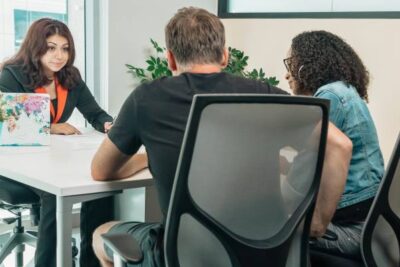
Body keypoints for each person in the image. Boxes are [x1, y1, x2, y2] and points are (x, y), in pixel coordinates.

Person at [90, 8, 352, 267]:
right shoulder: (264, 95)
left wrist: (144, 158)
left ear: (170, 59)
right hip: (269, 253)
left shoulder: (146, 99)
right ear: (225, 56)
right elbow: (339, 145)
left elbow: (101, 171)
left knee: (102, 234)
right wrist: (316, 224)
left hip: (186, 256)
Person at [0, 18, 114, 267]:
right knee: (54, 194)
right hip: (15, 164)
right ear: (36, 47)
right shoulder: (11, 75)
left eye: (65, 48)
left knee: (101, 189)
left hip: (52, 160)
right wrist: (50, 127)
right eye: (51, 47)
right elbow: (8, 126)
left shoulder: (70, 77)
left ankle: (91, 262)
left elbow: (95, 113)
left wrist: (109, 124)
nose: (59, 55)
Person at [284, 30, 384, 258]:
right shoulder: (344, 91)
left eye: (291, 64)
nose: (286, 75)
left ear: (307, 65)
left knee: (270, 227)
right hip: (367, 207)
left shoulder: (331, 95)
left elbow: (306, 165)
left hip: (351, 214)